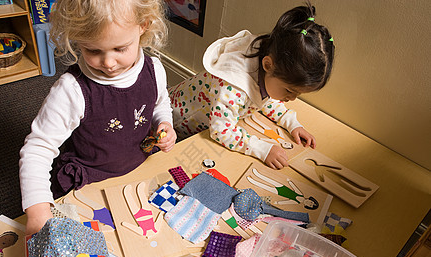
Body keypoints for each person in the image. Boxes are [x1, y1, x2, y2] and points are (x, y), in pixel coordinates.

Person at [20, 0, 176, 235]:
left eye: (120, 48)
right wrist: (38, 211)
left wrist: (164, 123)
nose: (108, 63)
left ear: (143, 25)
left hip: (140, 169)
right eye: (93, 50)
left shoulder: (155, 69)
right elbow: (37, 149)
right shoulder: (71, 90)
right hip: (90, 182)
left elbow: (159, 102)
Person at [169, 2, 334, 170]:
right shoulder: (232, 87)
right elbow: (221, 131)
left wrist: (292, 123)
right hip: (175, 127)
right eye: (290, 91)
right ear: (268, 65)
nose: (291, 99)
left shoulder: (269, 61)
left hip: (200, 127)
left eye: (298, 94)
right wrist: (262, 149)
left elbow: (265, 98)